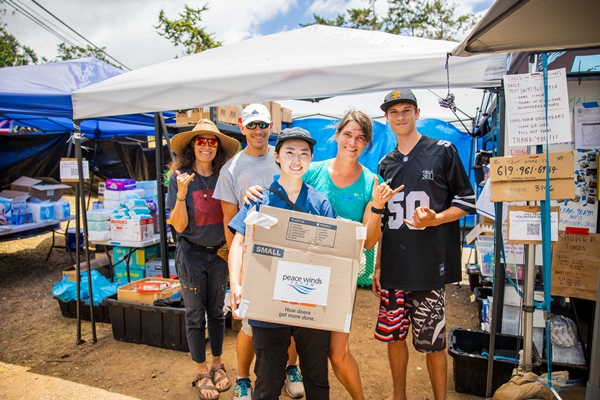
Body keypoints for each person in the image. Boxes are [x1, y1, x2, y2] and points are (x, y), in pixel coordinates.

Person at [245, 110, 401, 400]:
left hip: (339, 276)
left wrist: (378, 207)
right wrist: (253, 190)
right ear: (337, 135)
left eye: (360, 138)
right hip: (295, 271)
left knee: (337, 354)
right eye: (347, 134)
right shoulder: (313, 169)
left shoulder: (370, 182)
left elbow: (367, 242)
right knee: (286, 333)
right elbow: (282, 190)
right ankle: (287, 375)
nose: (352, 142)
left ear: (366, 143)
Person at [372, 89, 476, 400]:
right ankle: (399, 394)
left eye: (406, 110)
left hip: (429, 266)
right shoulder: (385, 163)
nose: (400, 116)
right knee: (394, 338)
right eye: (394, 112)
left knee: (435, 341)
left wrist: (436, 218)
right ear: (387, 118)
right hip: (392, 266)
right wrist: (377, 265)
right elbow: (383, 218)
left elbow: (466, 201)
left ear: (418, 113)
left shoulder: (443, 151)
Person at [229, 127, 335, 400]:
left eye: (304, 153)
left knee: (317, 377)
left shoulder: (320, 202)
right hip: (268, 303)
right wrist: (236, 284)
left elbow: (332, 255)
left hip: (309, 302)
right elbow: (238, 244)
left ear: (311, 159)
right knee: (268, 379)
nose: (296, 159)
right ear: (276, 156)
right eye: (289, 152)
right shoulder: (259, 198)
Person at [213, 104, 304, 400]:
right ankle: (242, 378)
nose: (258, 131)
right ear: (242, 127)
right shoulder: (231, 169)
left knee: (290, 315)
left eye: (263, 125)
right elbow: (230, 224)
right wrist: (236, 268)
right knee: (250, 325)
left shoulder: (283, 159)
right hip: (252, 260)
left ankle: (292, 367)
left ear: (271, 127)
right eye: (252, 125)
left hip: (287, 257)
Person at [166, 119, 240, 400]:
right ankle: (201, 370)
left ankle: (218, 364)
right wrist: (182, 195)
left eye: (212, 141)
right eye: (201, 141)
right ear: (192, 145)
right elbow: (180, 227)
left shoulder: (225, 175)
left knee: (218, 314)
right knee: (196, 315)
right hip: (192, 255)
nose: (207, 146)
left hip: (220, 254)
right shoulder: (180, 178)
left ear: (218, 147)